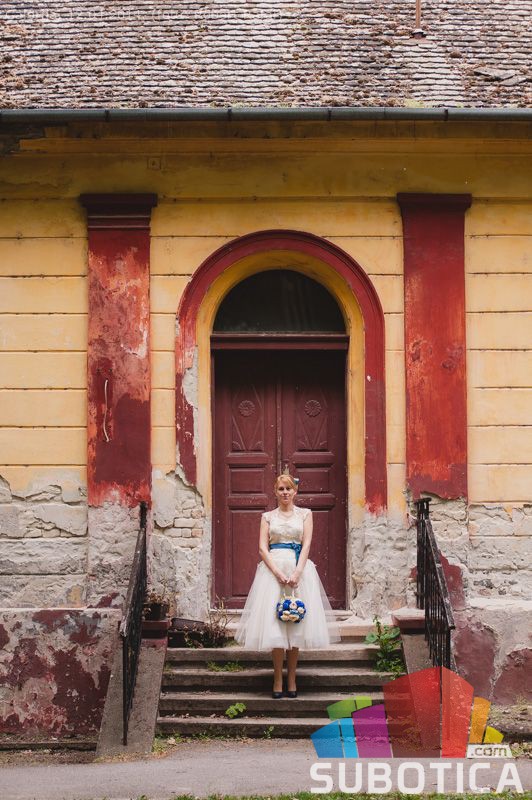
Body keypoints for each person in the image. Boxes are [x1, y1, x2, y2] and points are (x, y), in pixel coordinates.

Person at [234, 473, 340, 698]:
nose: (285, 493)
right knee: (275, 625)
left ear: (295, 491)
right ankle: (277, 678)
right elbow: (262, 548)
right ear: (275, 491)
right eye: (281, 489)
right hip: (273, 572)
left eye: (288, 489)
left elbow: (307, 543)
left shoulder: (305, 514)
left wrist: (298, 572)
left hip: (298, 569)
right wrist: (278, 573)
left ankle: (292, 677)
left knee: (295, 624)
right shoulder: (267, 517)